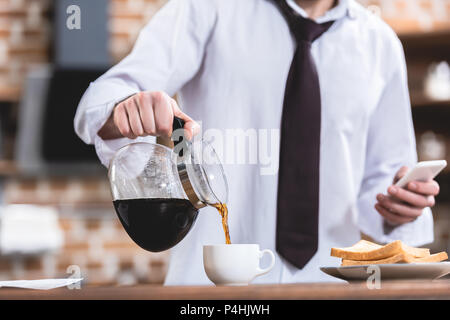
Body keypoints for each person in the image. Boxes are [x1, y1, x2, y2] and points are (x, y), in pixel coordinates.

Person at [75, 0, 440, 284]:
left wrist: (399, 205)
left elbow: (381, 185)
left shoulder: (380, 45)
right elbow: (99, 102)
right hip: (211, 292)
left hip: (328, 285)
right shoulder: (208, 9)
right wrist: (126, 107)